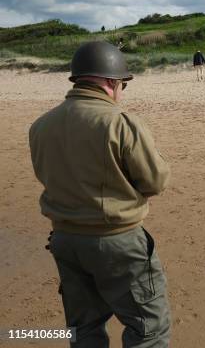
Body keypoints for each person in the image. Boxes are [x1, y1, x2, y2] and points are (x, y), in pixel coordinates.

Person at [29, 41, 171, 348]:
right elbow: (155, 181)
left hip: (65, 240)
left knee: (84, 329)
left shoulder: (41, 126)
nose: (121, 92)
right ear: (110, 82)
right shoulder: (120, 122)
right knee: (149, 329)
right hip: (117, 241)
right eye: (121, 85)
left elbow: (45, 176)